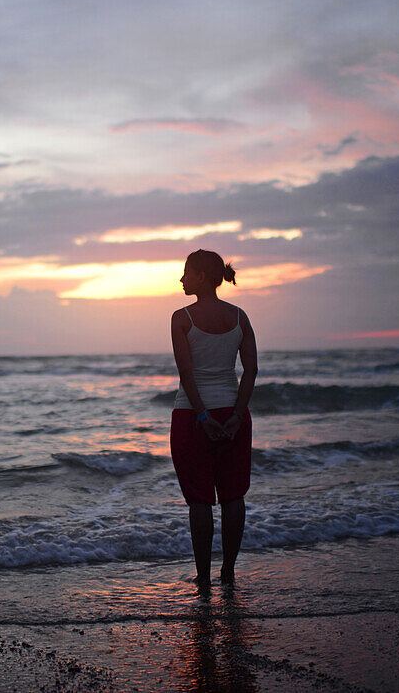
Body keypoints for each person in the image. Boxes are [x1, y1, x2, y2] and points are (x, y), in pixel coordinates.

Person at [170, 249, 257, 589]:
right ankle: (229, 572)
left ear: (201, 277)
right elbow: (250, 371)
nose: (181, 279)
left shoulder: (181, 318)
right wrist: (236, 415)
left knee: (200, 499)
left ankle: (204, 577)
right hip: (233, 412)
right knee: (234, 496)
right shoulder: (239, 317)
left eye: (186, 273)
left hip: (192, 415)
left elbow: (187, 374)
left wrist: (203, 415)